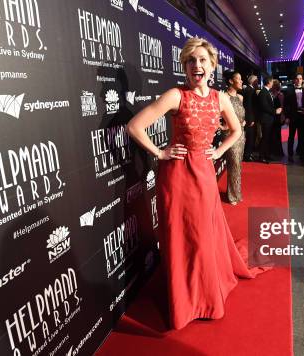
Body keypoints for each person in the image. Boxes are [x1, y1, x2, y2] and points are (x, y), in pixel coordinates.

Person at [126, 37, 265, 330]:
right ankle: (185, 299)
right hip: (176, 176)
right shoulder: (176, 95)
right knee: (180, 235)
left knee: (203, 233)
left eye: (202, 60)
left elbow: (237, 130)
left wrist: (218, 151)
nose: (196, 66)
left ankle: (206, 293)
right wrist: (160, 152)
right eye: (191, 61)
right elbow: (135, 126)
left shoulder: (221, 99)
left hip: (202, 173)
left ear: (212, 65)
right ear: (185, 67)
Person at [223, 70, 246, 205]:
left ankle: (235, 192)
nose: (242, 81)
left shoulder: (240, 98)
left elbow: (241, 114)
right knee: (234, 163)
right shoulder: (224, 97)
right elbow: (216, 115)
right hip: (230, 135)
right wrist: (223, 126)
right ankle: (232, 195)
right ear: (231, 81)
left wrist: (243, 122)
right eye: (239, 79)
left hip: (242, 134)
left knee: (237, 165)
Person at [285, 73, 304, 163]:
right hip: (293, 116)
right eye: (297, 78)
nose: (299, 80)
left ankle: (302, 155)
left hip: (303, 116)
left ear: (302, 80)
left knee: (302, 137)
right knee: (291, 137)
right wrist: (287, 117)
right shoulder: (289, 90)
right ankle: (290, 155)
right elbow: (286, 105)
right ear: (294, 80)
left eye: (300, 78)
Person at [257, 75, 279, 163]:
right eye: (272, 82)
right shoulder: (263, 92)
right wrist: (275, 111)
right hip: (265, 119)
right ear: (269, 82)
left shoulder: (267, 91)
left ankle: (266, 155)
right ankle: (261, 156)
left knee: (267, 138)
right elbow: (264, 107)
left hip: (269, 119)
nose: (273, 83)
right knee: (265, 138)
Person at [242, 75, 258, 161]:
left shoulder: (249, 89)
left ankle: (249, 154)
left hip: (249, 117)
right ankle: (247, 155)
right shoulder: (250, 90)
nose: (258, 82)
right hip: (249, 118)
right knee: (250, 137)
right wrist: (251, 119)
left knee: (250, 137)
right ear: (252, 81)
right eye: (256, 80)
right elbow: (248, 106)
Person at [270, 79, 285, 158]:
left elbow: (282, 106)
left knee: (277, 134)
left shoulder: (280, 95)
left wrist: (282, 116)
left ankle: (277, 151)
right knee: (272, 134)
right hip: (272, 115)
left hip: (278, 117)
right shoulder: (270, 94)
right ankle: (272, 151)